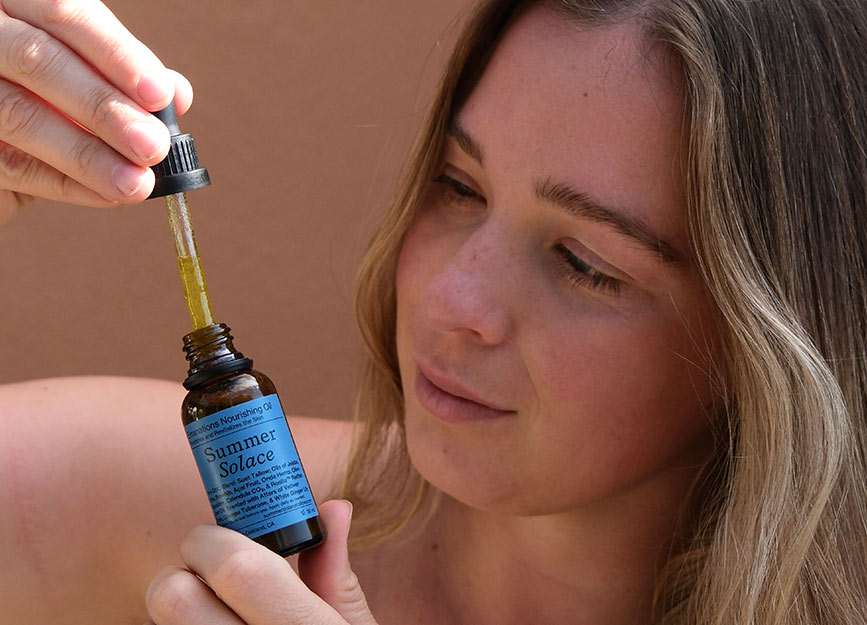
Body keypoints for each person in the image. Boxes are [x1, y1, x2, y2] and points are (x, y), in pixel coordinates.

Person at [0, 0, 864, 623]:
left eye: (585, 262)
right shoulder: (141, 499)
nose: (452, 299)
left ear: (775, 340)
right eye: (457, 186)